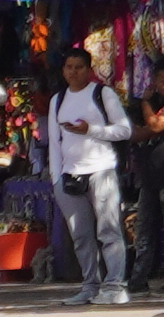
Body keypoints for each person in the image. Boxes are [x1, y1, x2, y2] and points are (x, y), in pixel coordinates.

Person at [46, 56, 136, 303]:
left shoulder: (103, 94)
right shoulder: (57, 100)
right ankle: (90, 286)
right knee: (81, 236)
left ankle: (115, 286)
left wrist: (91, 130)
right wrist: (56, 178)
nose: (73, 72)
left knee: (108, 230)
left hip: (102, 170)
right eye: (69, 67)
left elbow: (124, 130)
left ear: (89, 70)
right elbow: (54, 142)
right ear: (63, 70)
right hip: (69, 175)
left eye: (79, 67)